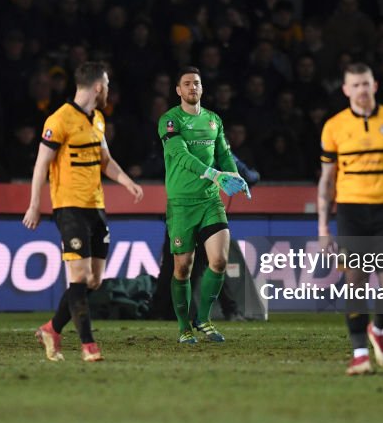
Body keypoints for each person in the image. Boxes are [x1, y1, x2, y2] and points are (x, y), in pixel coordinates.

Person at [23, 62, 143, 362]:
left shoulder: (98, 120)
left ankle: (51, 328)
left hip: (96, 208)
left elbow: (106, 160)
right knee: (78, 277)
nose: (109, 92)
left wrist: (127, 182)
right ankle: (89, 345)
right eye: (108, 86)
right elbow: (41, 165)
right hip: (69, 207)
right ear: (99, 86)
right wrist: (35, 204)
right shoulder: (59, 120)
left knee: (93, 281)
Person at [318, 63, 383, 375]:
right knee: (356, 284)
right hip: (350, 211)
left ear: (375, 85)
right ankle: (360, 353)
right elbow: (326, 181)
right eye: (355, 85)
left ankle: (379, 329)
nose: (361, 90)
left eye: (365, 84)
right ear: (346, 90)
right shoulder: (334, 126)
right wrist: (323, 226)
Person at [159, 66, 250, 345]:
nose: (192, 88)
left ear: (202, 88)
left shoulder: (213, 120)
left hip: (210, 200)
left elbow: (224, 153)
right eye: (186, 84)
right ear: (178, 90)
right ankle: (184, 326)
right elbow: (179, 154)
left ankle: (204, 318)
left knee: (220, 260)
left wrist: (234, 176)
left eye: (196, 83)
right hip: (182, 203)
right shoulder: (170, 120)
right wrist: (212, 174)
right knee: (183, 268)